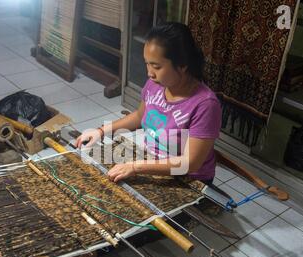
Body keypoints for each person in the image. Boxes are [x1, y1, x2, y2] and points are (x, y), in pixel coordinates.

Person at [75, 22, 222, 185]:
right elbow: (139, 116)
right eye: (147, 63)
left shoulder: (205, 105)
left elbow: (191, 163)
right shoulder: (156, 84)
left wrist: (136, 167)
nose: (149, 73)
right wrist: (101, 131)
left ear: (182, 66)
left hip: (189, 179)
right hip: (150, 160)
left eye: (156, 66)